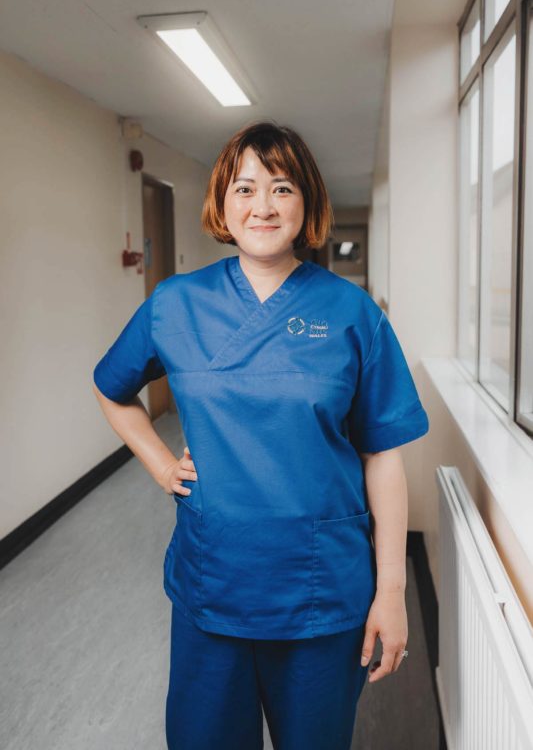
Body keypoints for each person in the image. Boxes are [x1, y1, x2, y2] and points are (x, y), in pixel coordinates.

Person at [92, 120, 429, 750]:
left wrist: (391, 590)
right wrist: (164, 467)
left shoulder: (352, 314)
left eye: (281, 188)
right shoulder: (175, 303)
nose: (263, 206)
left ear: (307, 204)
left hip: (322, 591)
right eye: (244, 189)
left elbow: (382, 454)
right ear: (222, 204)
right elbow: (112, 390)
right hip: (213, 580)